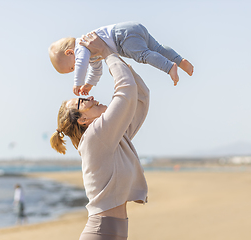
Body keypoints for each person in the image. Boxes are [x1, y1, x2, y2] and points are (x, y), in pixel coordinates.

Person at [50, 32, 149, 240]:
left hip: (112, 232)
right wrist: (105, 52)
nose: (90, 97)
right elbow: (126, 92)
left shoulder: (111, 138)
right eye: (82, 102)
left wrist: (114, 54)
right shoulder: (96, 137)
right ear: (82, 120)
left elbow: (139, 97)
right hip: (101, 233)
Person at [48, 21, 194, 96]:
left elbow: (81, 63)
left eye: (71, 68)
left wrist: (78, 82)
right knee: (157, 49)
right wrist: (89, 84)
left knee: (143, 55)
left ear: (69, 53)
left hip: (121, 37)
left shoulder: (81, 45)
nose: (75, 69)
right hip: (132, 29)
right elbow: (96, 70)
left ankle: (169, 67)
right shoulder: (91, 54)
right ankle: (181, 61)